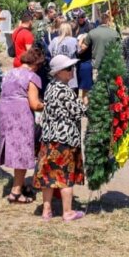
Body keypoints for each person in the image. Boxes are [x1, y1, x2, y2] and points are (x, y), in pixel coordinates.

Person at [34, 54, 87, 222]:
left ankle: (46, 210)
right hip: (65, 140)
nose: (72, 71)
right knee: (65, 177)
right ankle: (68, 212)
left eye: (72, 68)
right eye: (68, 68)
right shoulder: (65, 90)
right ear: (58, 72)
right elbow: (79, 111)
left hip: (49, 138)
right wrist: (87, 102)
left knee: (48, 176)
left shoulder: (50, 87)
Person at [0, 47, 45, 203]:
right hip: (21, 114)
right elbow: (34, 104)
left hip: (5, 112)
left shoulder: (9, 73)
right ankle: (16, 192)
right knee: (22, 151)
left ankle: (21, 184)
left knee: (13, 148)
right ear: (36, 64)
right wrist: (47, 105)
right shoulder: (32, 77)